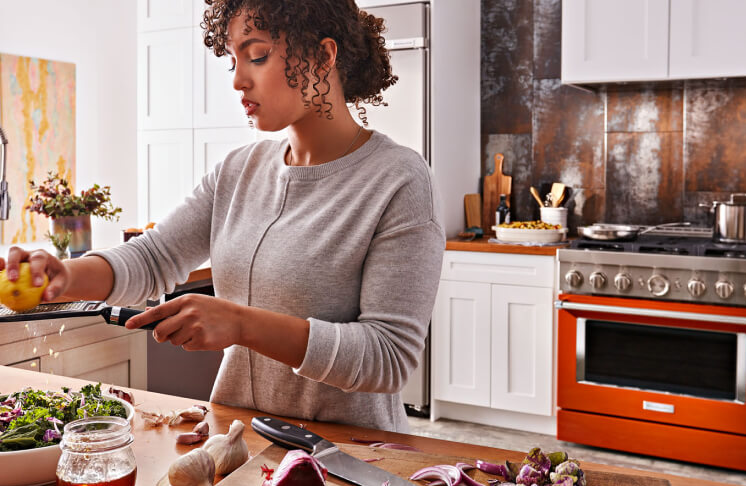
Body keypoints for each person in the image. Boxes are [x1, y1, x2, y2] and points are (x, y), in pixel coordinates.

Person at [0, 0, 445, 433]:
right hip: (237, 443)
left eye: (257, 56)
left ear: (323, 55)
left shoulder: (398, 180)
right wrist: (63, 276)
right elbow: (154, 258)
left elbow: (387, 358)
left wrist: (239, 324)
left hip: (348, 460)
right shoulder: (239, 170)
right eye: (234, 61)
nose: (238, 82)